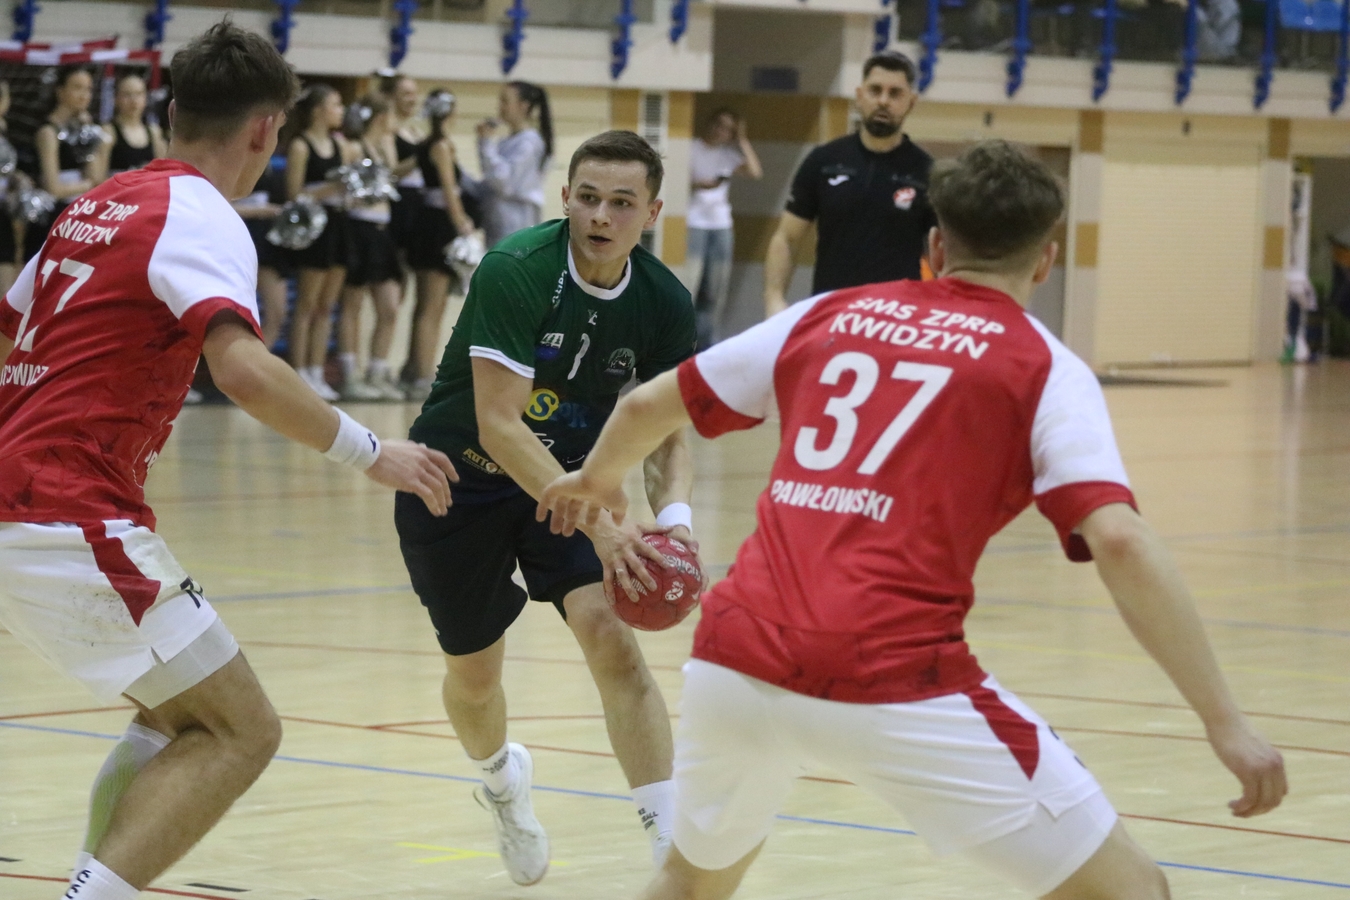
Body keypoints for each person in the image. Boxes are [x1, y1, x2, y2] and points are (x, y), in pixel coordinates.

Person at [537, 140, 1289, 900]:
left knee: (689, 886)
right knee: (1134, 892)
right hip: (897, 677)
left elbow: (645, 405)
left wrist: (593, 483)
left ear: (935, 245)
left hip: (737, 659)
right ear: (1045, 261)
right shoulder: (1044, 366)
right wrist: (1224, 722)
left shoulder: (828, 314)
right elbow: (1120, 539)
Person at [0, 21, 457, 900]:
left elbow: (10, 328)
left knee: (174, 717)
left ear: (173, 111)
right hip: (66, 510)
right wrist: (371, 452)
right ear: (265, 129)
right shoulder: (203, 215)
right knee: (242, 731)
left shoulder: (99, 203)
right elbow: (243, 370)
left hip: (30, 502)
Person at [394, 130, 698, 885]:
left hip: (569, 483)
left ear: (651, 212)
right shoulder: (517, 268)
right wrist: (605, 527)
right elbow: (500, 424)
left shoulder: (663, 300)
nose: (601, 215)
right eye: (587, 197)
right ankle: (502, 781)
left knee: (611, 636)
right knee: (475, 679)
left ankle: (672, 853)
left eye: (621, 203)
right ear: (564, 198)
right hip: (456, 481)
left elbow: (666, 431)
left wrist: (676, 525)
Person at [763, 50, 935, 317]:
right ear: (859, 95)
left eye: (895, 93)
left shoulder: (928, 172)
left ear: (911, 102)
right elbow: (787, 237)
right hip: (831, 313)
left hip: (897, 319)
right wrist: (774, 299)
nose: (883, 101)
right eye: (875, 90)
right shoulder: (824, 161)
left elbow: (945, 251)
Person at [405, 89, 478, 401]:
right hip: (439, 228)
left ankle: (413, 370)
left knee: (424, 305)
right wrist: (462, 223)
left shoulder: (424, 144)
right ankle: (423, 376)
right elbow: (450, 189)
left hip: (425, 224)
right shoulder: (441, 145)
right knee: (432, 308)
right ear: (450, 113)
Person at [285, 83, 352, 401]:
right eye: (335, 104)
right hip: (313, 228)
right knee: (307, 304)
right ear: (317, 111)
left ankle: (316, 370)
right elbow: (294, 194)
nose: (341, 110)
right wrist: (330, 188)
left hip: (339, 225)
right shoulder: (301, 145)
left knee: (327, 306)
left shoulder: (341, 145)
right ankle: (298, 372)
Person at [336, 93, 405, 401]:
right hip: (359, 228)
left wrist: (388, 147)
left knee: (390, 307)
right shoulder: (353, 148)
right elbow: (345, 191)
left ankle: (377, 371)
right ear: (380, 117)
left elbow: (393, 176)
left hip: (382, 230)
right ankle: (350, 374)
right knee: (353, 304)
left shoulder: (382, 147)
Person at [687, 108, 761, 349]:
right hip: (693, 222)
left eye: (729, 129)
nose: (721, 131)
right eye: (719, 125)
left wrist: (743, 140)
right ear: (709, 123)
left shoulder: (727, 155)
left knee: (715, 290)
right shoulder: (691, 147)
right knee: (688, 286)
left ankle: (706, 347)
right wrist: (697, 185)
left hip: (720, 225)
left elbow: (755, 171)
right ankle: (681, 346)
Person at [26, 65, 107, 262]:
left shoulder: (85, 129)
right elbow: (54, 188)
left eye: (88, 89)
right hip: (52, 218)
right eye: (77, 88)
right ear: (60, 91)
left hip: (78, 215)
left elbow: (97, 177)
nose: (84, 95)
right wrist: (87, 185)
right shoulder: (48, 132)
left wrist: (88, 130)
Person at [476, 80, 551, 248]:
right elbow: (490, 180)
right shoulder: (505, 142)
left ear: (523, 106)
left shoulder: (529, 143)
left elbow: (504, 183)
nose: (500, 107)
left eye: (505, 101)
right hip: (498, 222)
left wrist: (486, 143)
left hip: (517, 223)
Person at [232, 158, 293, 351]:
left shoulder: (269, 160)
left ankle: (255, 364)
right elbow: (214, 204)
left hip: (269, 241)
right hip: (239, 237)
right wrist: (260, 211)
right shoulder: (230, 157)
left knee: (277, 312)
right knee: (235, 316)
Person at [101, 73, 167, 176]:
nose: (134, 100)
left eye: (139, 94)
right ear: (116, 98)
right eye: (127, 95)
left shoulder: (154, 132)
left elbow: (164, 172)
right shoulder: (108, 131)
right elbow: (97, 177)